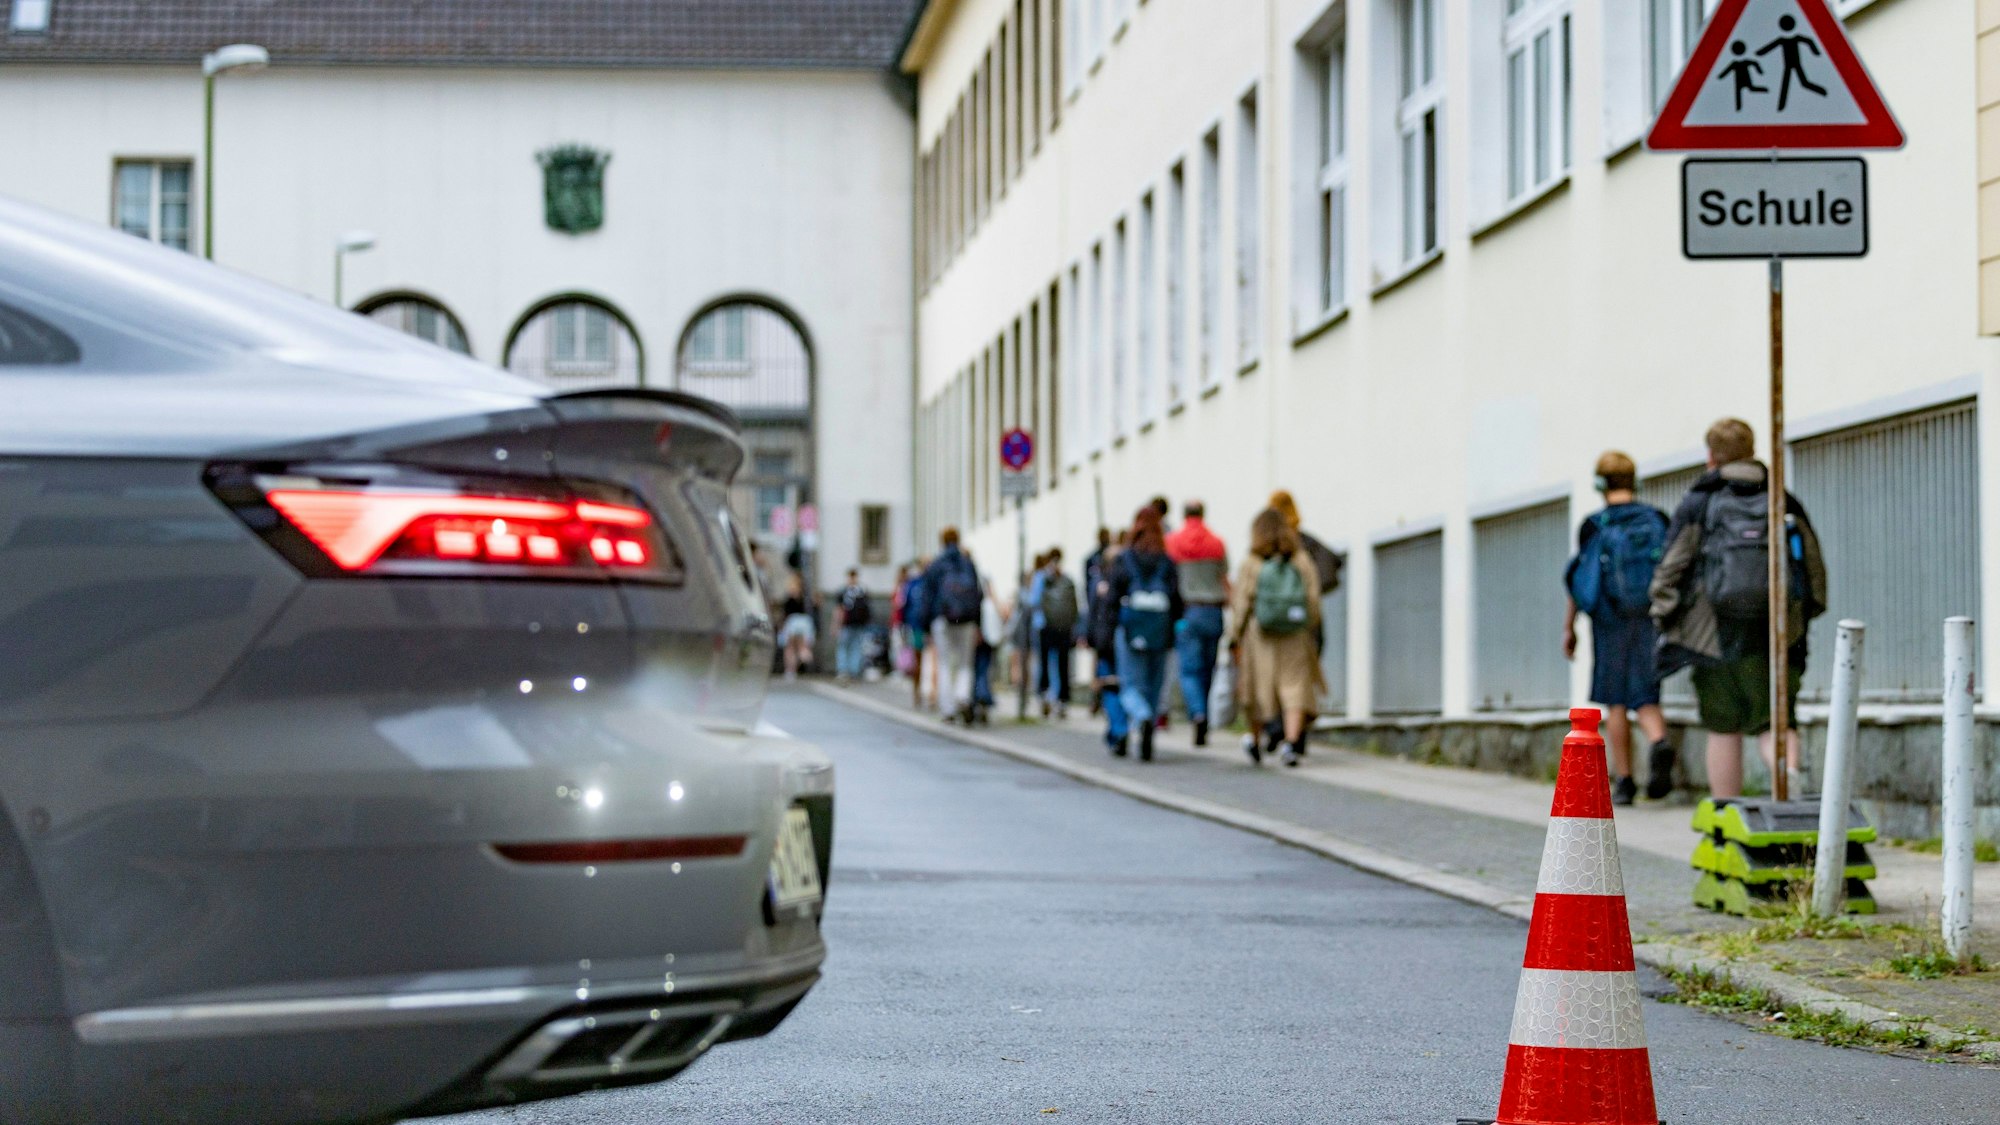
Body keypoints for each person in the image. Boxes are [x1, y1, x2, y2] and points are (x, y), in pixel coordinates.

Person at [1650, 418, 1828, 800]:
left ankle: (1724, 814)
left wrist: (1667, 618)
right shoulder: (1781, 497)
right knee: (1777, 722)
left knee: (1723, 728)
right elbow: (1812, 568)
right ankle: (1790, 783)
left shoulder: (1701, 501)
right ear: (1751, 450)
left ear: (1710, 456)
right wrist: (1800, 620)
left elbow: (1671, 566)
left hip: (1715, 636)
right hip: (1776, 636)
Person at [1564, 452, 1674, 806]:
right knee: (1645, 692)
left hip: (1609, 620)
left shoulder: (1594, 525)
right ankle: (1659, 741)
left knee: (1615, 700)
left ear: (1600, 484)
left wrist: (1569, 627)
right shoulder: (1655, 519)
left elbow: (1580, 580)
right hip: (1649, 617)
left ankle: (1624, 781)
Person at [1231, 508, 1325, 767]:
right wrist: (1309, 623)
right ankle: (1291, 743)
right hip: (1294, 632)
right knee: (1294, 686)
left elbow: (1241, 602)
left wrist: (1234, 633)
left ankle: (1256, 738)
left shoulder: (1252, 562)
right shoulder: (1300, 559)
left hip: (1259, 634)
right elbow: (1313, 599)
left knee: (1258, 687)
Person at [1263, 490, 1343, 757]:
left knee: (1275, 678)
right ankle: (1296, 736)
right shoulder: (1308, 544)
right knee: (1300, 681)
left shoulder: (1265, 547)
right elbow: (1333, 567)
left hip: (1273, 626)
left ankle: (1277, 728)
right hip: (1305, 624)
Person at [1106, 507, 1184, 762]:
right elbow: (1177, 602)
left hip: (1130, 631)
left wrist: (1105, 632)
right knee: (1154, 685)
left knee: (1130, 685)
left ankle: (1142, 717)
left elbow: (1111, 600)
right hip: (1160, 633)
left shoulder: (1125, 559)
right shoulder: (1166, 562)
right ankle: (1149, 727)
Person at [1165, 500, 1229, 746]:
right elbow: (1224, 578)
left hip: (1187, 612)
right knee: (1208, 668)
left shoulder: (1174, 542)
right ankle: (1204, 712)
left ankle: (1198, 713)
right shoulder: (1217, 543)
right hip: (1213, 611)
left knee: (1189, 669)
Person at [922, 528, 984, 725]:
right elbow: (977, 594)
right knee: (966, 663)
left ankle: (948, 709)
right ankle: (963, 697)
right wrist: (978, 623)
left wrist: (926, 626)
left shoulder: (936, 565)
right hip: (966, 620)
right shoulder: (967, 563)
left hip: (942, 619)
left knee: (945, 664)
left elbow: (927, 597)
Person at [1084, 536, 1130, 751]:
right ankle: (1120, 729)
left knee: (1109, 686)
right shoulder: (1130, 582)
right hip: (1126, 641)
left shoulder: (1099, 582)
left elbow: (1092, 612)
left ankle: (1118, 729)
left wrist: (1089, 637)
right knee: (1123, 685)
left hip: (1105, 641)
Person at [1035, 548, 1081, 719]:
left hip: (1044, 625)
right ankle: (1062, 699)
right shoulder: (1067, 579)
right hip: (1064, 626)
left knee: (1045, 662)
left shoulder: (1042, 578)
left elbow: (1034, 601)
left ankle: (1045, 694)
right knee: (1063, 663)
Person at [1082, 527, 1114, 716]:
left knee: (1101, 668)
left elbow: (1091, 606)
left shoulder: (1097, 577)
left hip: (1101, 631)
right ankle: (1097, 698)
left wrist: (1088, 632)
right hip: (1107, 632)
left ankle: (1096, 698)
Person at [898, 560, 934, 710]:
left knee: (919, 660)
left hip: (917, 625)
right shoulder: (932, 583)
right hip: (930, 626)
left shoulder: (912, 584)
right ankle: (930, 695)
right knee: (931, 662)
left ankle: (919, 693)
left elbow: (904, 606)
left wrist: (904, 625)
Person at [835, 568, 872, 683]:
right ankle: (852, 670)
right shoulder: (862, 591)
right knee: (854, 647)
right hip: (856, 623)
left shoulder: (844, 591)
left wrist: (836, 624)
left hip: (848, 624)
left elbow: (839, 609)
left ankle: (845, 670)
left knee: (845, 647)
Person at [778, 572, 816, 681]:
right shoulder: (806, 596)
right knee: (801, 646)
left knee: (790, 648)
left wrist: (782, 625)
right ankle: (804, 656)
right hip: (804, 622)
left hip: (793, 622)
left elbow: (785, 613)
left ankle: (791, 670)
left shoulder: (791, 596)